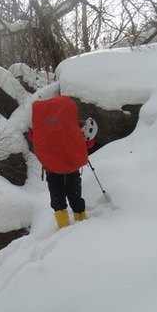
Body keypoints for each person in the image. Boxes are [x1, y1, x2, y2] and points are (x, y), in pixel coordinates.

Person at [30, 96, 97, 228]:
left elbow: (35, 138)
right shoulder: (70, 128)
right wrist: (89, 137)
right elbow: (85, 145)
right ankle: (82, 223)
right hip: (72, 170)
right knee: (75, 198)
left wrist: (36, 128)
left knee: (58, 202)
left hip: (53, 172)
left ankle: (64, 227)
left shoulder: (45, 130)